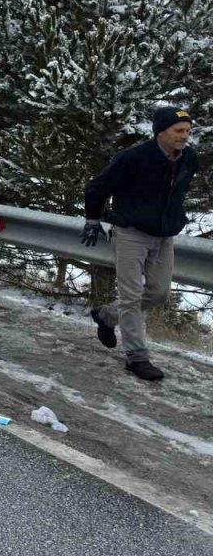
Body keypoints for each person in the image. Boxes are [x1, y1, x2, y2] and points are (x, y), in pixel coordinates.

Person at [82, 106, 198, 381]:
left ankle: (107, 315)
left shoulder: (188, 159)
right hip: (131, 232)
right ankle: (137, 357)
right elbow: (97, 187)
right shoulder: (133, 157)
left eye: (188, 132)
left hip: (163, 235)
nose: (184, 136)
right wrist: (92, 219)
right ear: (161, 131)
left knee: (158, 293)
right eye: (178, 131)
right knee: (131, 296)